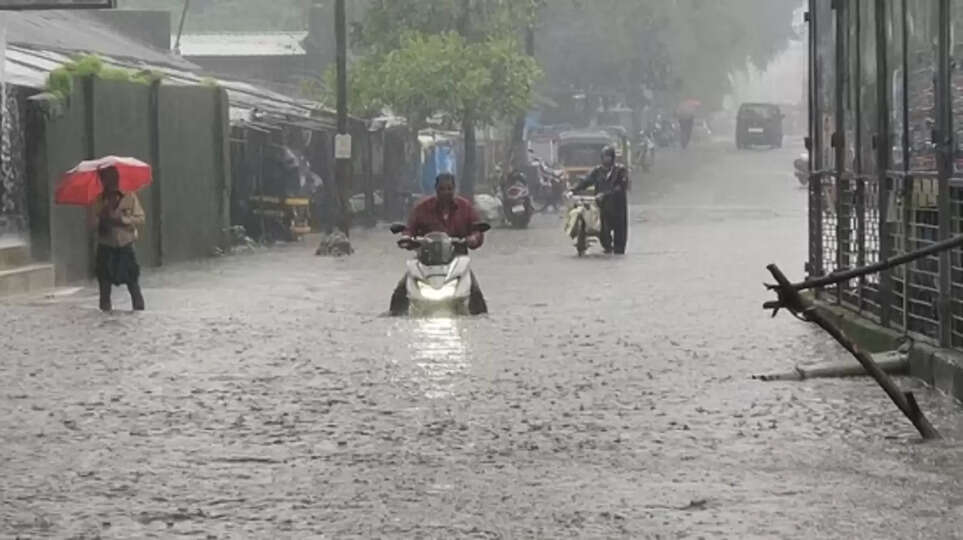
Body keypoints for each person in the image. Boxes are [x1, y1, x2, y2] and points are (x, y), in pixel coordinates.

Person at [389, 173, 487, 315]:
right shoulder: (422, 208)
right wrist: (406, 238)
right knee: (400, 291)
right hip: (425, 261)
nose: (446, 192)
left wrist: (473, 238)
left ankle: (482, 319)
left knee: (476, 294)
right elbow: (409, 229)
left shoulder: (465, 208)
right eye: (442, 189)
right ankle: (393, 317)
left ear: (454, 189)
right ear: (436, 189)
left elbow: (477, 229)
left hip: (457, 262)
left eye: (449, 188)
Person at [89, 166, 146, 312]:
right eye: (105, 178)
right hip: (106, 247)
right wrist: (101, 218)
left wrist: (123, 219)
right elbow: (91, 224)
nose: (109, 181)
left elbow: (140, 218)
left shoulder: (129, 196)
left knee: (133, 285)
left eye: (112, 177)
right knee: (104, 288)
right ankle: (105, 315)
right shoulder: (98, 200)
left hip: (125, 246)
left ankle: (139, 314)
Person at [569, 145, 629, 255]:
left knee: (620, 239)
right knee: (603, 232)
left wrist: (605, 194)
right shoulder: (597, 171)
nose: (607, 159)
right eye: (605, 157)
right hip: (602, 207)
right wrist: (573, 190)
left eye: (609, 157)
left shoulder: (620, 170)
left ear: (613, 158)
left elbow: (621, 187)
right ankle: (608, 249)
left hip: (618, 208)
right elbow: (586, 181)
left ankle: (618, 254)